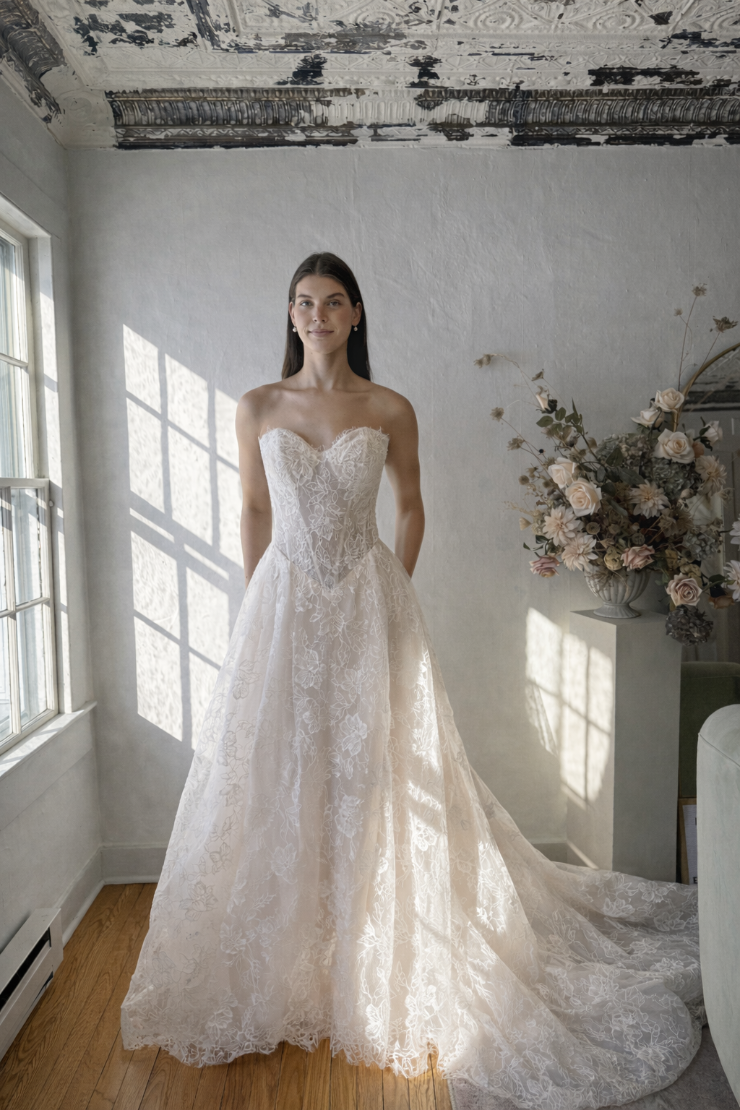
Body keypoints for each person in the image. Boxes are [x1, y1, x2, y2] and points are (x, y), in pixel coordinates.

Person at [122, 253, 701, 1109]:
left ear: (356, 314)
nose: (315, 315)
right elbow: (251, 510)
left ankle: (379, 958)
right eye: (302, 303)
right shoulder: (257, 406)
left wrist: (393, 583)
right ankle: (286, 965)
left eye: (331, 303)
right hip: (280, 610)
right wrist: (257, 611)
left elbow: (413, 503)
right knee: (277, 775)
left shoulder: (388, 407)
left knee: (376, 773)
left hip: (366, 606)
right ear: (290, 316)